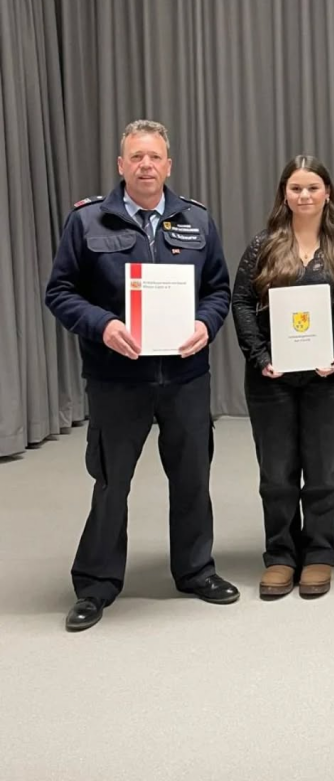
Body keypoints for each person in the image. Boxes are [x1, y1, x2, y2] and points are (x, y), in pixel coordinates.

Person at [45, 119, 237, 631]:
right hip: (117, 378)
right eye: (136, 157)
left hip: (185, 376)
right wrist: (103, 325)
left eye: (154, 157)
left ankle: (195, 570)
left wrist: (206, 324)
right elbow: (60, 291)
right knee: (112, 483)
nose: (146, 165)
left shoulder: (197, 220)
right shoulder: (87, 221)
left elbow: (218, 290)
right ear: (121, 165)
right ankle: (96, 584)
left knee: (192, 477)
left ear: (168, 165)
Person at [232, 156, 334, 599]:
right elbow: (240, 302)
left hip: (328, 379)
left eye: (313, 187)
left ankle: (320, 552)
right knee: (277, 473)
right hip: (271, 378)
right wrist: (260, 356)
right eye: (296, 188)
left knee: (325, 472)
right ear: (284, 194)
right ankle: (280, 554)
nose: (304, 195)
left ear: (327, 193)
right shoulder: (263, 246)